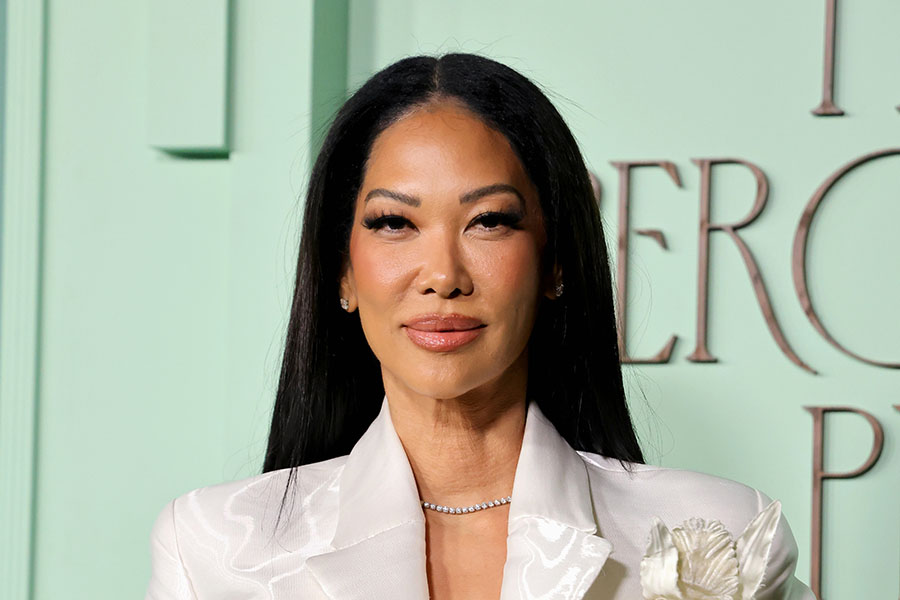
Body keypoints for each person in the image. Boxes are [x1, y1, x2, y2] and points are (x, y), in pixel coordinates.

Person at [145, 53, 815, 600]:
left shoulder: (722, 539)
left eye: (489, 221)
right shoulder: (215, 546)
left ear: (554, 263)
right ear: (342, 273)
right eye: (394, 223)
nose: (443, 275)